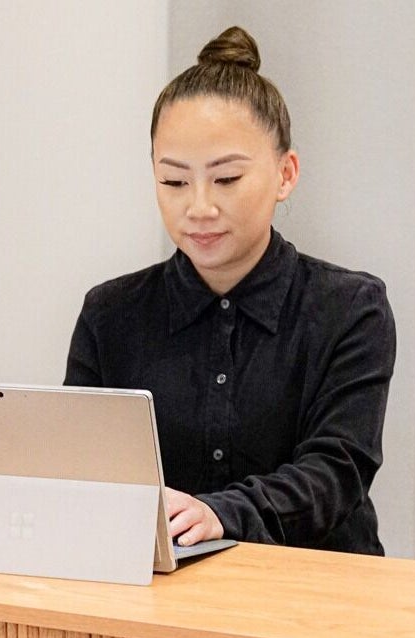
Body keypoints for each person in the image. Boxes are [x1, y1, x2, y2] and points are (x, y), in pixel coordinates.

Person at [64, 26, 396, 555]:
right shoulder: (111, 315)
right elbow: (81, 470)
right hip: (162, 599)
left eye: (226, 180)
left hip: (318, 593)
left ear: (285, 174)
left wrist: (222, 513)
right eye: (174, 182)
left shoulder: (349, 309)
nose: (198, 206)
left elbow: (337, 470)